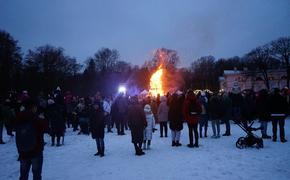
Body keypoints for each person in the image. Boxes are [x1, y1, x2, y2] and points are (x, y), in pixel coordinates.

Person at [14, 99, 48, 180]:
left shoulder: (18, 117)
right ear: (33, 107)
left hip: (22, 150)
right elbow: (46, 129)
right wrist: (43, 119)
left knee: (23, 174)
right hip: (36, 150)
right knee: (36, 175)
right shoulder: (36, 118)